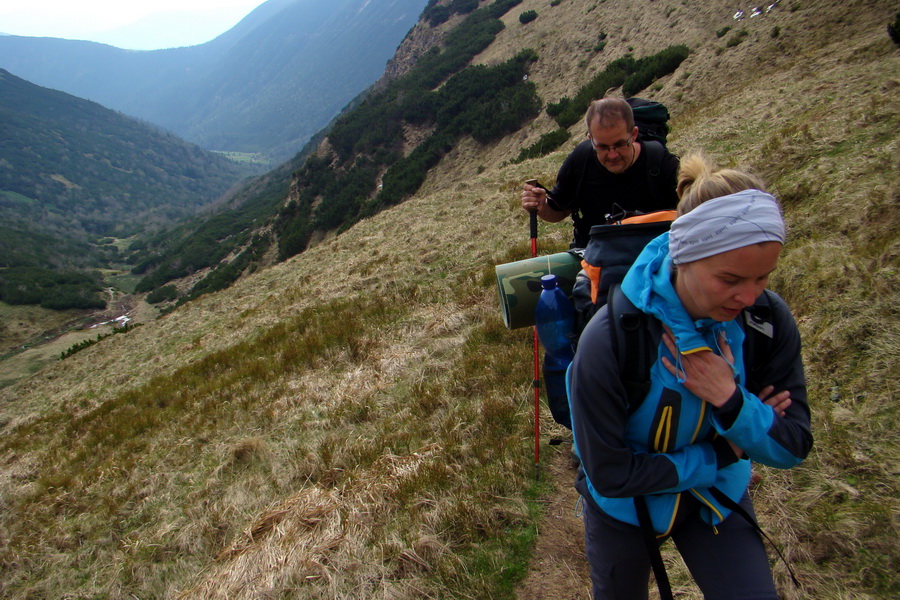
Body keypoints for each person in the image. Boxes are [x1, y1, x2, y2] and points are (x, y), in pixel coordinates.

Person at [568, 153, 813, 599]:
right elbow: (609, 474)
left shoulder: (765, 320)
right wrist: (722, 453)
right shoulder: (612, 338)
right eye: (730, 279)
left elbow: (793, 444)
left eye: (763, 277)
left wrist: (730, 398)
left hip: (715, 501)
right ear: (683, 255)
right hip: (626, 509)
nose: (748, 295)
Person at [521, 97, 680, 248]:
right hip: (594, 259)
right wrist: (541, 207)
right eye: (602, 147)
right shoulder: (581, 161)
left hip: (653, 259)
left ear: (633, 135)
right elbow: (559, 210)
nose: (612, 155)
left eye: (619, 144)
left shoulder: (661, 164)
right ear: (591, 139)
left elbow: (687, 220)